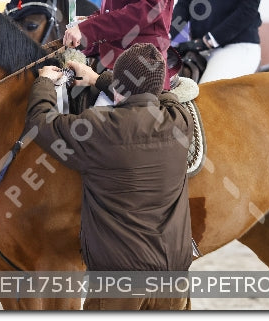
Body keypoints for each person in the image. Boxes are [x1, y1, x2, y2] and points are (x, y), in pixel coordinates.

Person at [26, 43, 194, 310]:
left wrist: (45, 82)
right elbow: (161, 96)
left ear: (119, 85)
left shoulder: (97, 127)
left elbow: (40, 122)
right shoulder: (180, 121)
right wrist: (102, 80)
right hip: (174, 277)